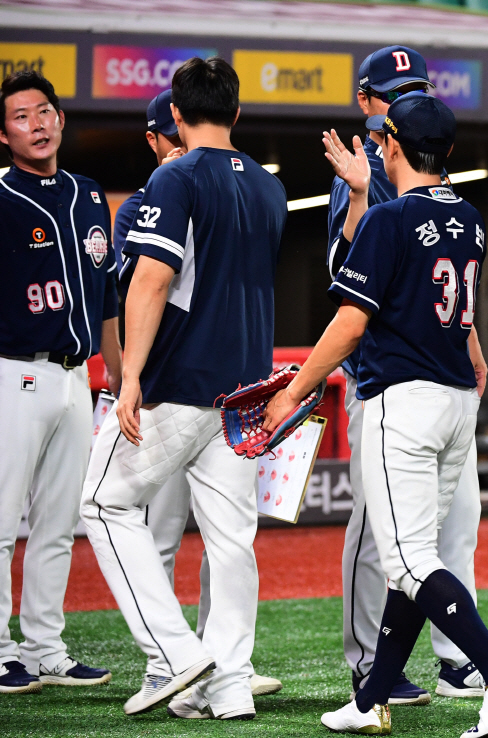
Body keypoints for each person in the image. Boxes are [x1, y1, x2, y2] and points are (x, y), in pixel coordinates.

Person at [262, 92, 488, 737]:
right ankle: (371, 701)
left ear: (390, 145)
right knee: (407, 564)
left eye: (383, 139)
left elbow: (351, 322)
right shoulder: (469, 215)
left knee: (412, 563)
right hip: (454, 405)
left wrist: (297, 388)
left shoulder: (390, 220)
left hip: (403, 403)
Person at [80, 56, 287, 719]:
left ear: (175, 114)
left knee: (103, 504)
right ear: (237, 111)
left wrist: (132, 375)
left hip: (182, 381)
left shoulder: (176, 176)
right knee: (231, 541)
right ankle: (227, 684)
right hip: (245, 390)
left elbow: (152, 279)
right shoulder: (267, 186)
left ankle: (174, 652)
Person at [326, 44, 485, 706]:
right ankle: (370, 662)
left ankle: (456, 658)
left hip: (440, 374)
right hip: (383, 378)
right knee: (377, 531)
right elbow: (345, 278)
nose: (401, 99)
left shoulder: (430, 174)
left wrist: (471, 343)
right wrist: (362, 190)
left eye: (413, 87)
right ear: (366, 103)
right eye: (390, 91)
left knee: (455, 522)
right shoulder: (359, 173)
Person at [0, 69, 120, 695]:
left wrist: (123, 382)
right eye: (22, 116)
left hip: (77, 377)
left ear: (61, 118)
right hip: (12, 372)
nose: (37, 123)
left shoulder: (89, 194)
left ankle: (44, 647)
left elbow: (107, 302)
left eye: (44, 111)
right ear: (4, 134)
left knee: (56, 524)